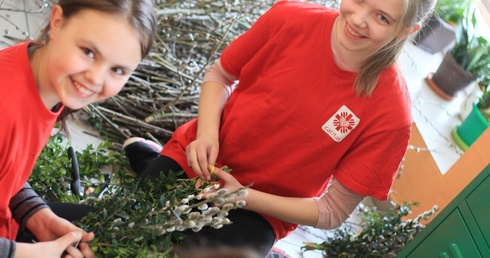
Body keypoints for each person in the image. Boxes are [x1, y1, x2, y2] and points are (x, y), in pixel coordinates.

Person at [123, 0, 436, 256]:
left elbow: (331, 211)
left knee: (189, 251)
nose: (359, 19)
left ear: (406, 30)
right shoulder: (290, 18)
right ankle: (156, 162)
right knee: (127, 229)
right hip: (201, 165)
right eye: (359, 0)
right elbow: (220, 76)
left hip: (262, 210)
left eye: (381, 17)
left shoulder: (391, 115)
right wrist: (206, 134)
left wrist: (242, 196)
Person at [0, 0, 156, 257]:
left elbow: (7, 170)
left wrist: (37, 215)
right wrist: (24, 253)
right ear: (57, 22)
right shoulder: (6, 103)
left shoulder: (45, 76)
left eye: (117, 69)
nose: (96, 78)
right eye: (88, 52)